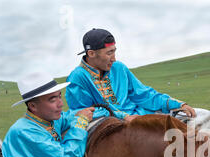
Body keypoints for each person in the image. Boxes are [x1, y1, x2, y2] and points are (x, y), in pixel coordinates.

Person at [65, 28, 196, 120]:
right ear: (91, 53)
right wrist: (124, 117)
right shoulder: (77, 77)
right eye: (109, 53)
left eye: (114, 51)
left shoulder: (119, 68)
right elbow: (84, 112)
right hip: (108, 126)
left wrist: (176, 104)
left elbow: (143, 94)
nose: (114, 59)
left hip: (138, 116)